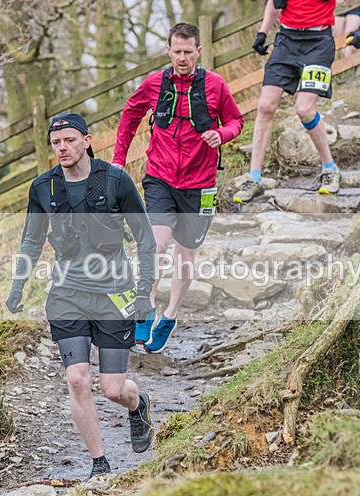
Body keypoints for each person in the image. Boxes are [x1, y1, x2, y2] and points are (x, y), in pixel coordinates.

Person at [6, 113, 157, 480]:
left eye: (70, 140)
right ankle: (99, 463)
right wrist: (18, 284)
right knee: (76, 378)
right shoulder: (44, 188)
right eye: (56, 142)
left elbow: (145, 238)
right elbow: (31, 238)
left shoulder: (115, 180)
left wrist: (144, 293)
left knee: (112, 388)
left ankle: (138, 405)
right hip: (67, 294)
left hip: (113, 294)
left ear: (87, 140)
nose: (62, 148)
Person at [112, 22, 244, 353]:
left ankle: (169, 316)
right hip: (160, 177)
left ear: (198, 52)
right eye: (177, 51)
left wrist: (222, 134)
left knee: (185, 255)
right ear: (168, 51)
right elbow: (130, 115)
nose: (182, 58)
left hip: (200, 184)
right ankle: (145, 308)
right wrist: (118, 160)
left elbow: (236, 121)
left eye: (188, 52)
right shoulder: (154, 83)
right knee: (154, 245)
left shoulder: (215, 85)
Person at [233, 0, 360, 203]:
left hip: (318, 43)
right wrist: (262, 32)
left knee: (304, 109)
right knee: (265, 106)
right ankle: (254, 178)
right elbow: (276, 3)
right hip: (286, 40)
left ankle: (330, 169)